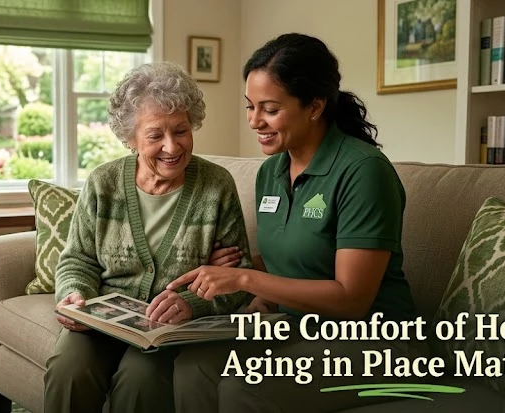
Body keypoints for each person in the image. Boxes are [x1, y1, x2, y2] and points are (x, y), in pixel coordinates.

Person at [170, 33, 428, 413]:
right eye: (250, 107)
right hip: (301, 328)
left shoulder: (363, 172)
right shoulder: (271, 171)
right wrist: (229, 274)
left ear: (314, 106)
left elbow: (352, 300)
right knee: (193, 367)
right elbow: (290, 260)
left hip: (376, 341)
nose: (255, 121)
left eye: (269, 109)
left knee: (246, 386)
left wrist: (244, 279)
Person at [44, 61, 253, 413]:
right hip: (102, 321)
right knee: (68, 370)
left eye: (181, 131)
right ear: (130, 138)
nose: (172, 147)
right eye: (155, 135)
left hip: (169, 332)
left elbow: (239, 277)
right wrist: (74, 295)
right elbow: (78, 258)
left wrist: (192, 302)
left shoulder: (216, 187)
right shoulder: (103, 183)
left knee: (140, 381)